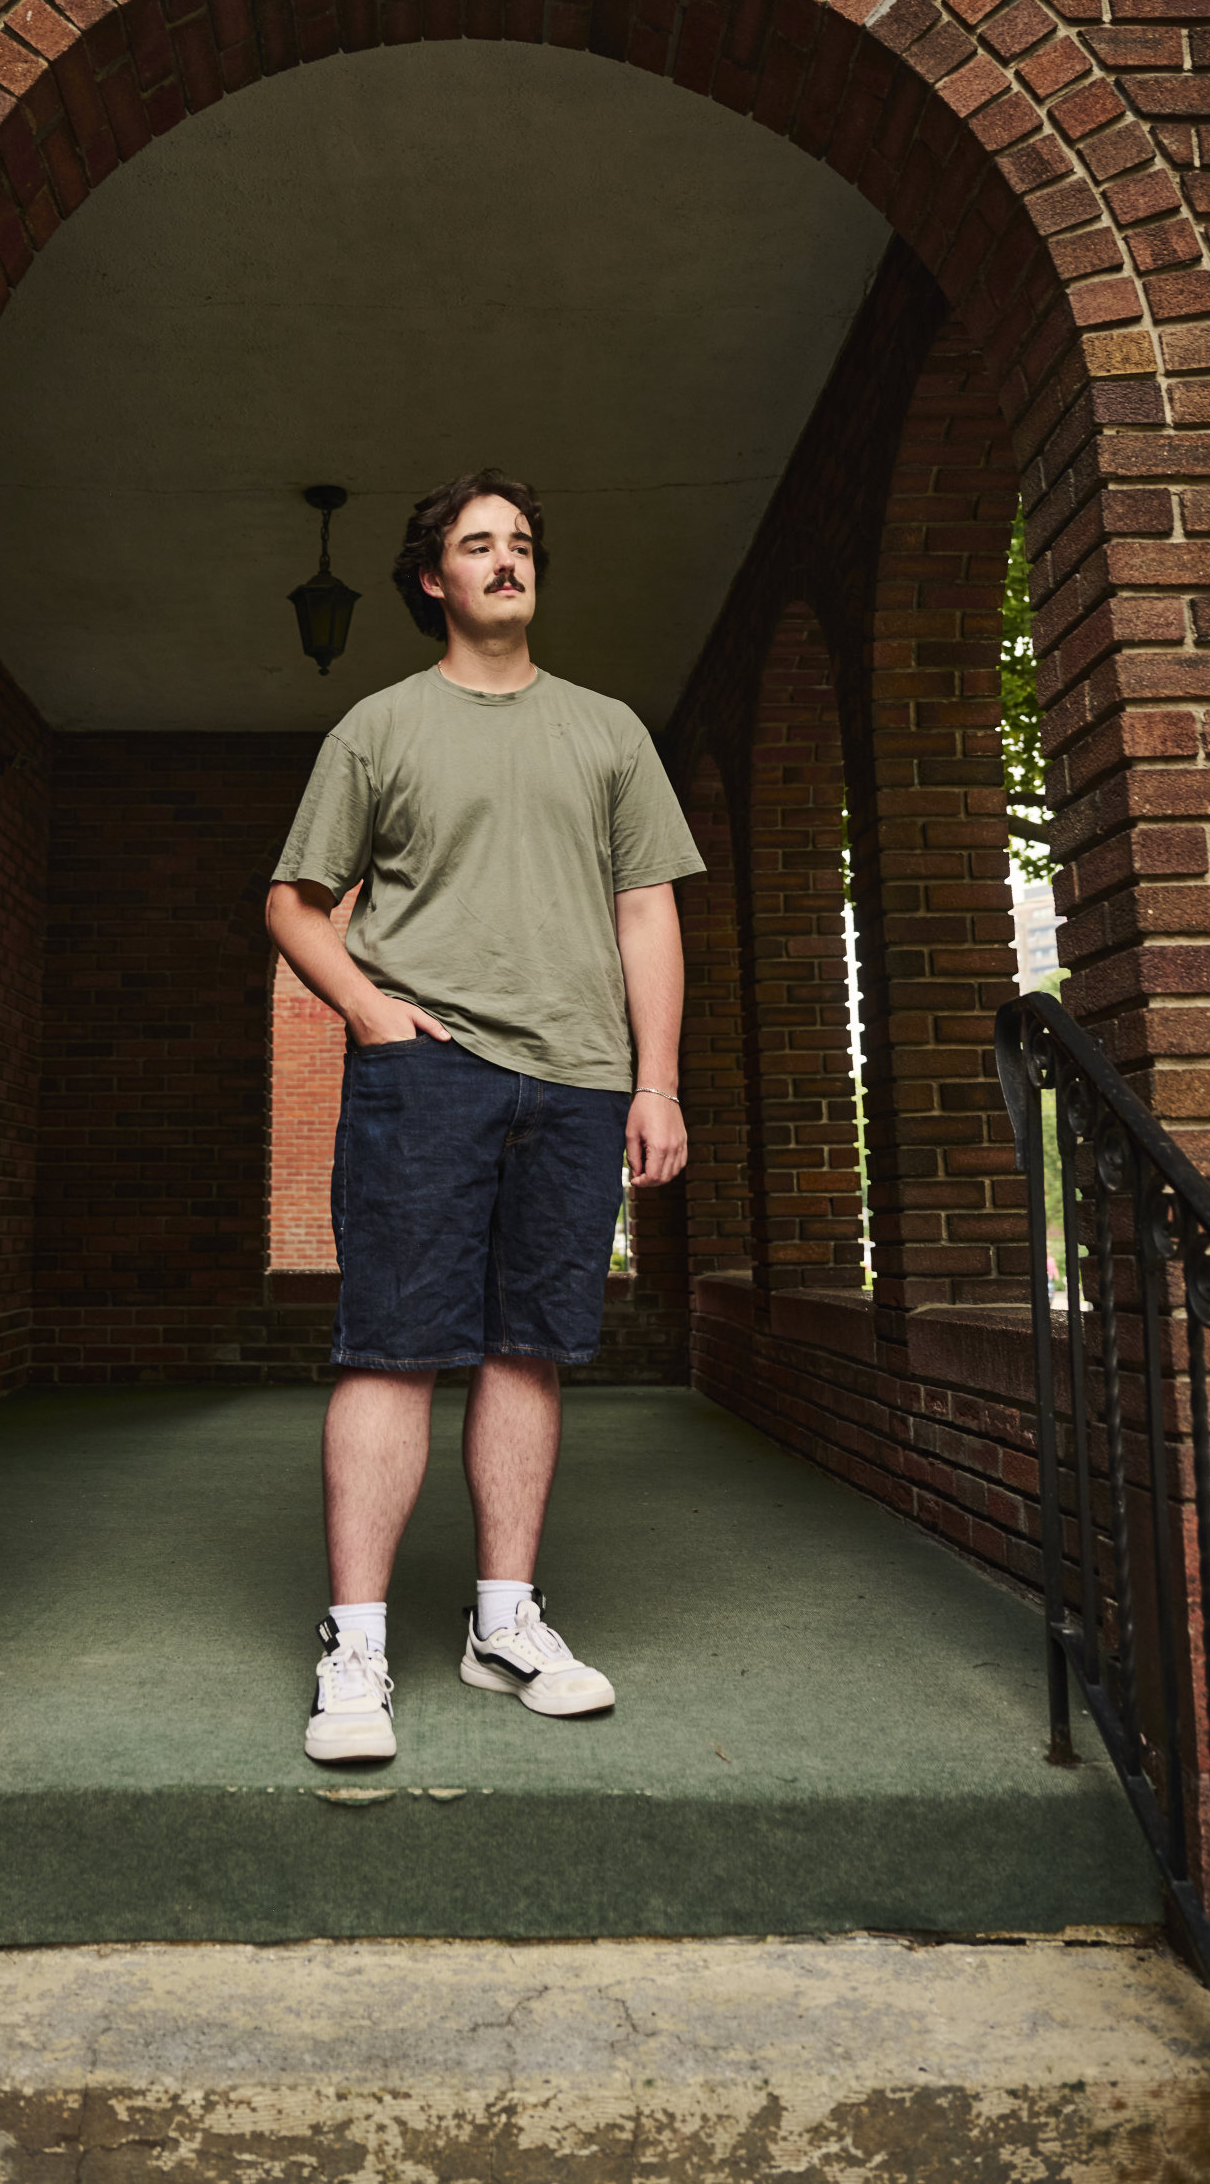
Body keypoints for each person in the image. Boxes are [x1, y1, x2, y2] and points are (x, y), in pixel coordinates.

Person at [266, 468, 704, 1763]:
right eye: (478, 544)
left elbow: (647, 911)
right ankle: (355, 1645)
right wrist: (369, 1012)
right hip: (428, 1070)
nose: (506, 560)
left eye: (521, 542)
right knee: (392, 1343)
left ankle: (502, 1621)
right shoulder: (379, 728)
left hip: (577, 1080)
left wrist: (656, 1077)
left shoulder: (611, 731)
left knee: (531, 1345)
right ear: (432, 580)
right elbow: (293, 902)